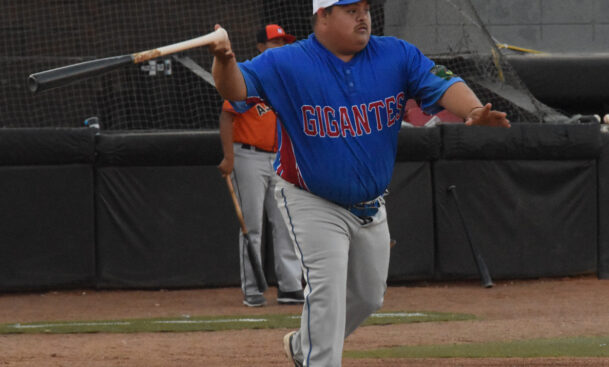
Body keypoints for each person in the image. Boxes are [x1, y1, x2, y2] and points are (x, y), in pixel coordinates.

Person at [209, 0, 509, 365]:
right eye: (350, 10)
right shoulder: (286, 61)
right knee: (328, 291)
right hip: (310, 198)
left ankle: (304, 346)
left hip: (370, 202)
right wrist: (224, 57)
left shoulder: (395, 55)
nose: (362, 16)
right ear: (323, 16)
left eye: (364, 8)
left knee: (369, 296)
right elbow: (234, 90)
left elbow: (443, 82)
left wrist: (474, 111)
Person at [217, 24, 303, 308]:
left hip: (279, 156)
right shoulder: (250, 76)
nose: (280, 46)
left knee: (286, 224)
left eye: (283, 42)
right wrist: (229, 157)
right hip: (249, 156)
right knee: (251, 225)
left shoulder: (289, 79)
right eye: (274, 41)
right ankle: (253, 290)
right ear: (260, 47)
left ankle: (290, 287)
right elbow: (227, 116)